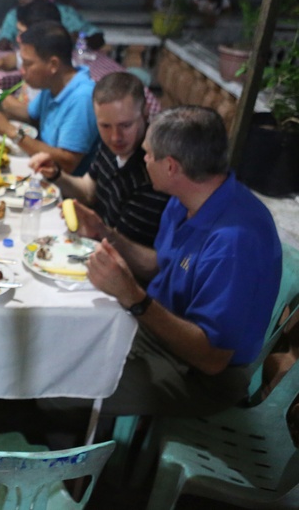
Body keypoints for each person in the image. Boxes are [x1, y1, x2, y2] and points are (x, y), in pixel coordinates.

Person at [77, 106, 281, 417]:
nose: (143, 160)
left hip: (203, 376)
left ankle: (73, 456)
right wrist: (107, 233)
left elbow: (212, 359)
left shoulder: (235, 242)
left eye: (147, 154)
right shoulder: (184, 200)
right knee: (69, 345)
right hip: (157, 332)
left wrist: (133, 296)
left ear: (170, 166)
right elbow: (161, 264)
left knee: (69, 388)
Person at [29, 72, 170, 268]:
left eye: (125, 125)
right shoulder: (112, 146)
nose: (115, 137)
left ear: (146, 113)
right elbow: (88, 190)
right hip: (95, 250)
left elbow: (151, 266)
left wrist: (102, 232)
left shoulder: (153, 168)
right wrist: (56, 174)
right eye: (105, 126)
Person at [0, 21, 99, 176]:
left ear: (53, 65)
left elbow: (68, 162)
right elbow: (30, 115)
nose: (22, 70)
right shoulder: (53, 84)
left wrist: (11, 131)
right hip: (38, 169)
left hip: (64, 190)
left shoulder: (82, 98)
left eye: (28, 64)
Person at [0, 0, 102, 51]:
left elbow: (97, 38)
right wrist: (4, 43)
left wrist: (74, 38)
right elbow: (3, 39)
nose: (22, 0)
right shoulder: (14, 15)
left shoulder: (65, 14)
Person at [0, 0, 62, 72]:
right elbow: (16, 59)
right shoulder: (34, 54)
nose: (18, 39)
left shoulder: (50, 68)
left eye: (22, 33)